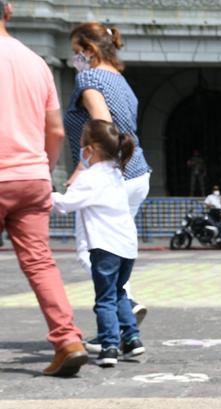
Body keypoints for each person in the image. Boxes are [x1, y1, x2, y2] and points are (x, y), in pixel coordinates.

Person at [0, 1, 87, 376]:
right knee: (40, 263)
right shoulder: (36, 62)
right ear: (8, 12)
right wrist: (43, 169)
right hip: (32, 176)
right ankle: (68, 340)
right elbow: (55, 130)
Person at [65, 21, 150, 353]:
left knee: (94, 254)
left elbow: (102, 125)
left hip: (110, 176)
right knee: (115, 250)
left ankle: (123, 309)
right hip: (135, 173)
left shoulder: (89, 78)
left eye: (76, 52)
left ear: (90, 50)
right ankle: (123, 327)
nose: (75, 59)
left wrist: (80, 171)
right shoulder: (121, 80)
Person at [52, 120, 143, 367]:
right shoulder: (115, 174)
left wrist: (44, 194)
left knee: (104, 298)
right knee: (119, 292)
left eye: (82, 145)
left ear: (90, 150)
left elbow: (65, 205)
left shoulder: (90, 177)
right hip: (127, 246)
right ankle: (133, 338)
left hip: (105, 246)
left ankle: (110, 345)